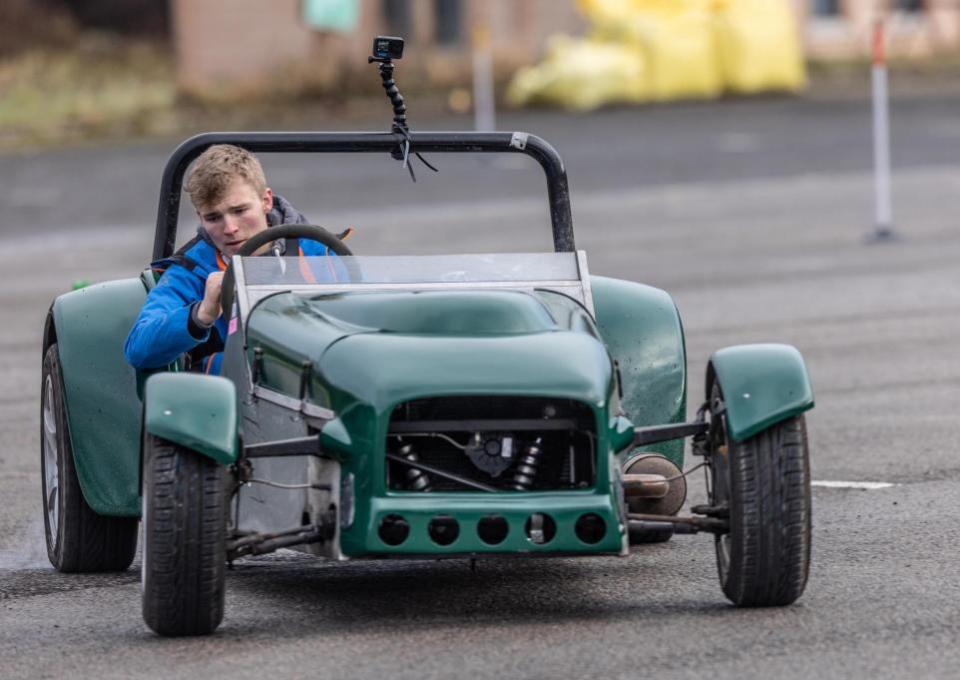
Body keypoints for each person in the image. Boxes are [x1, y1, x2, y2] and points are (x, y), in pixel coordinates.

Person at [124, 144, 342, 374]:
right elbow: (138, 349)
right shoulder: (192, 271)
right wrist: (202, 313)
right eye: (213, 217)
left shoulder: (317, 251)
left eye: (239, 211)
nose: (229, 228)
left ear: (266, 201)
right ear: (200, 217)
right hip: (237, 395)